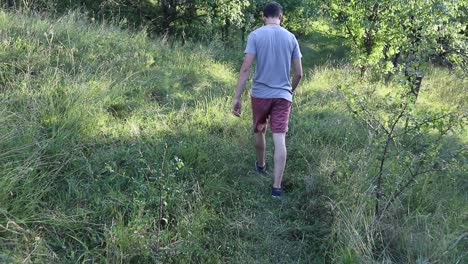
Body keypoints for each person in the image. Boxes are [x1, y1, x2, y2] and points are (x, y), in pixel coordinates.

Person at [232, 2, 303, 197]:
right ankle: (276, 188)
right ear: (281, 17)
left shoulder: (256, 35)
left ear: (264, 17)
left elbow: (246, 67)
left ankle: (261, 165)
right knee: (279, 138)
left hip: (260, 94)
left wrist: (237, 97)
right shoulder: (291, 38)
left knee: (259, 129)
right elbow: (299, 73)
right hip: (282, 96)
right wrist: (289, 91)